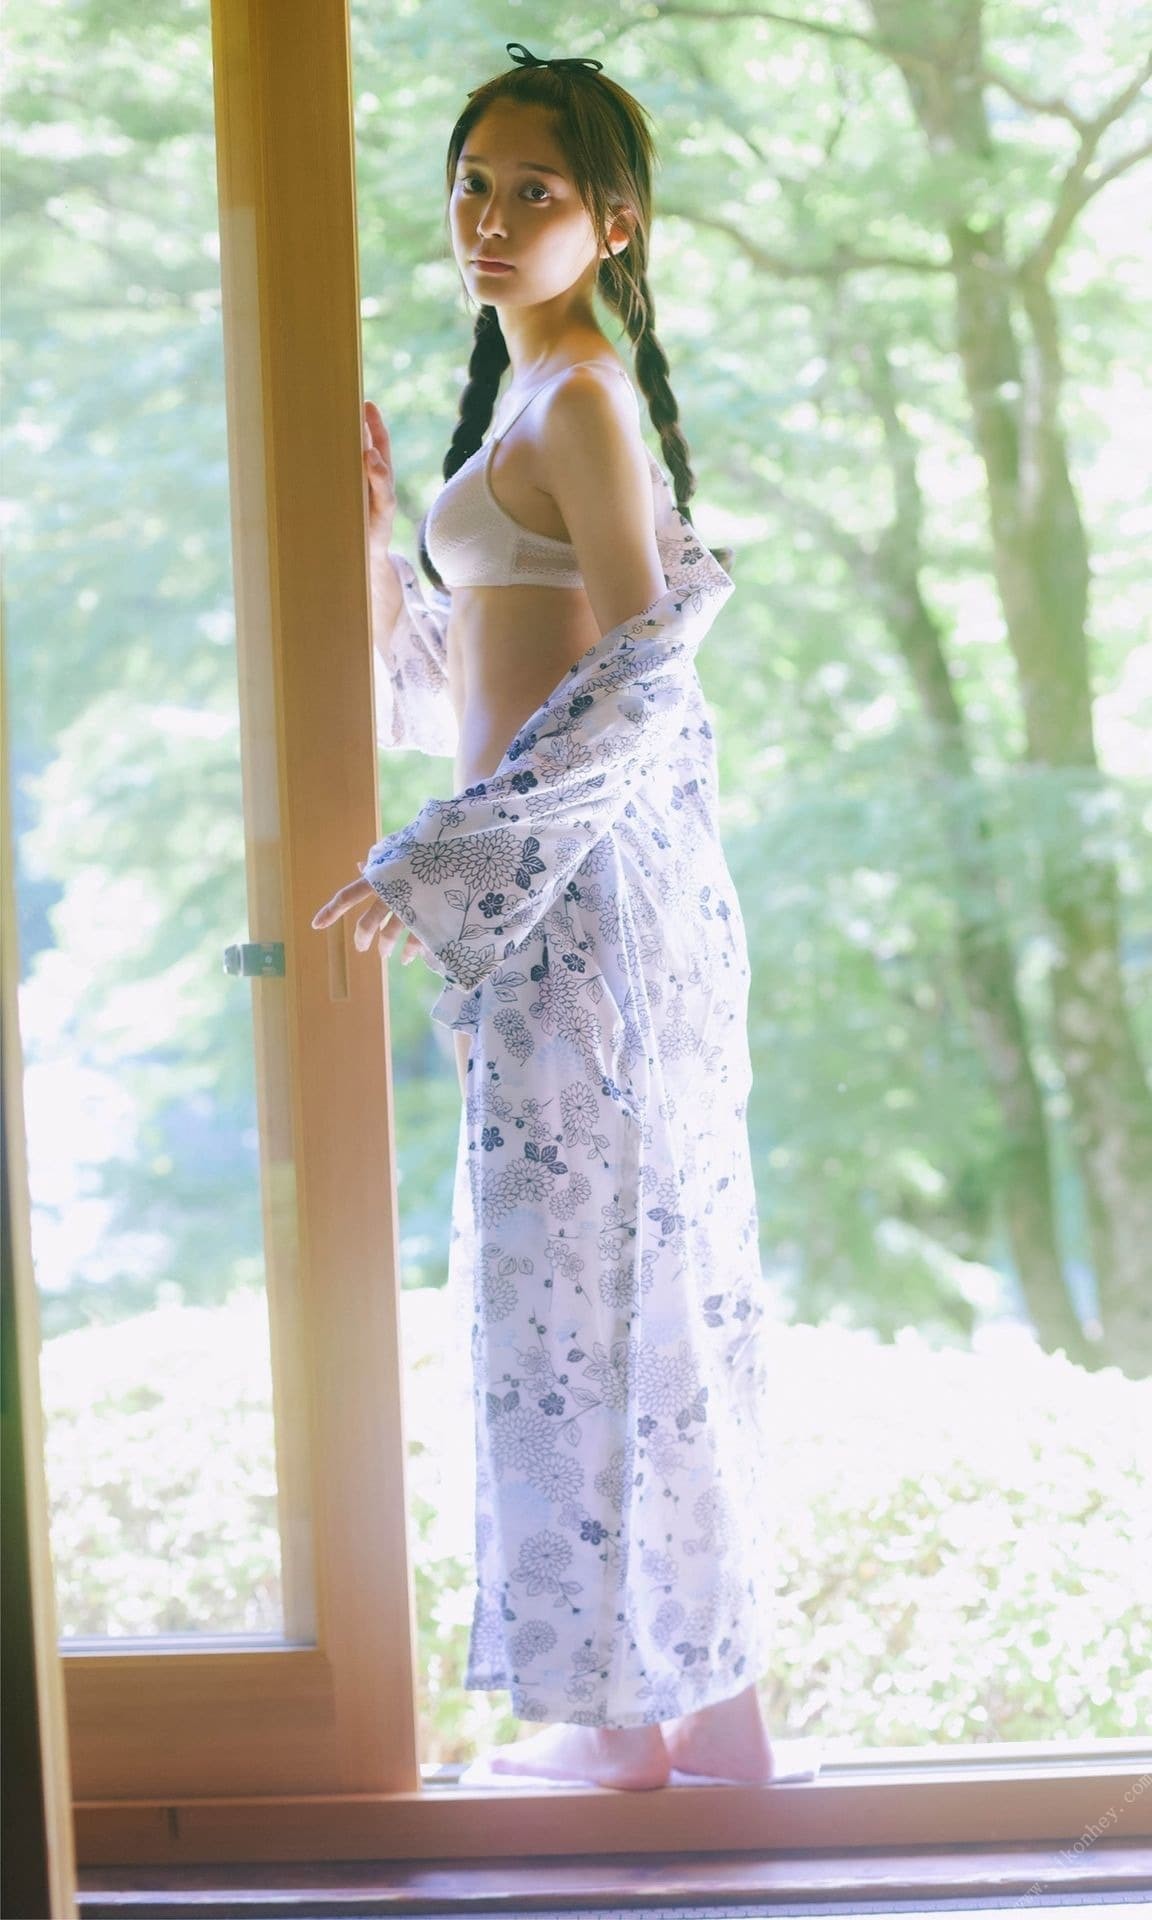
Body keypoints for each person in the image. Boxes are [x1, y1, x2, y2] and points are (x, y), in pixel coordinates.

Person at [312, 42, 778, 1793]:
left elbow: (646, 680)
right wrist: (376, 549)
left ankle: (669, 1726)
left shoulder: (579, 396)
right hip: (549, 913)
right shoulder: (531, 399)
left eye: (534, 192)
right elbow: (473, 689)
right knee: (579, 1296)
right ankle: (666, 1726)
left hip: (590, 922)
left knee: (608, 1289)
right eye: (473, 184)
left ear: (615, 223)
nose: (489, 218)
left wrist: (445, 862)